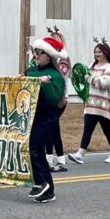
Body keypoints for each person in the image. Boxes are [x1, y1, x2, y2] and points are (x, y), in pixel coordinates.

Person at [68, 39, 110, 164]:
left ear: (106, 53)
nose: (97, 54)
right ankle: (80, 154)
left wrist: (89, 78)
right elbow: (83, 77)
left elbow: (106, 82)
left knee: (107, 129)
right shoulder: (92, 65)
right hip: (91, 102)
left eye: (99, 52)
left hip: (105, 104)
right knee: (88, 128)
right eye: (95, 52)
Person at [25, 37, 66, 203]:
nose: (35, 55)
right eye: (34, 52)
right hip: (33, 116)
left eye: (38, 52)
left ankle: (41, 182)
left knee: (34, 147)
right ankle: (48, 190)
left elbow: (54, 98)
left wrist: (44, 84)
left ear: (48, 55)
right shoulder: (31, 71)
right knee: (37, 151)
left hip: (47, 117)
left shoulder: (55, 75)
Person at [44, 30, 71, 172]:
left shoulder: (63, 62)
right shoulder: (51, 61)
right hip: (49, 98)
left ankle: (60, 160)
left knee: (53, 129)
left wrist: (62, 98)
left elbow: (60, 81)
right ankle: (48, 159)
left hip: (59, 99)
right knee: (49, 129)